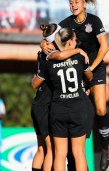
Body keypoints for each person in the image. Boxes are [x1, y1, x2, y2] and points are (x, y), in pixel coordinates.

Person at [41, 0, 109, 169]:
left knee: (101, 109)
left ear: (84, 4)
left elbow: (105, 47)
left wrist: (91, 68)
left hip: (95, 67)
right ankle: (76, 160)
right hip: (78, 72)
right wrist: (43, 43)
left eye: (76, 2)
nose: (73, 6)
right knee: (78, 110)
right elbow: (50, 34)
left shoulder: (94, 21)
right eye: (70, 3)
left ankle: (104, 148)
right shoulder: (66, 24)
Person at [33, 27, 93, 171]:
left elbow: (35, 83)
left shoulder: (48, 59)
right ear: (71, 42)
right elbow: (90, 76)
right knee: (79, 153)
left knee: (59, 154)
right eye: (75, 40)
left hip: (57, 109)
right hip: (77, 109)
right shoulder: (79, 57)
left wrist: (43, 45)